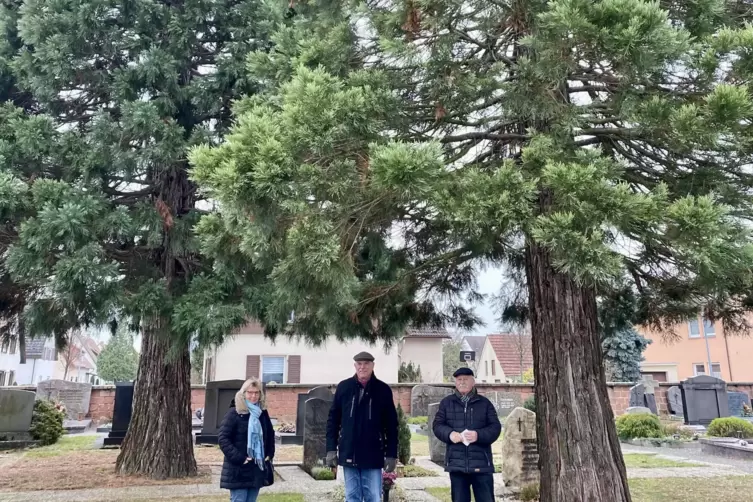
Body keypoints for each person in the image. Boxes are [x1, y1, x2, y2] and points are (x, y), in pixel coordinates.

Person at [326, 351, 399, 502]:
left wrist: (391, 454)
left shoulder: (382, 390)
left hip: (372, 454)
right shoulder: (344, 388)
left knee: (373, 496)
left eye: (366, 364)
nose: (362, 367)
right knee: (352, 497)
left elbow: (392, 425)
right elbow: (333, 420)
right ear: (355, 366)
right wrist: (331, 449)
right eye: (359, 364)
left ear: (373, 366)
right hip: (349, 452)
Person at [433, 367, 501, 502]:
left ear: (473, 382)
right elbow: (437, 425)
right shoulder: (447, 403)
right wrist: (450, 434)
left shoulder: (484, 403)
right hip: (457, 464)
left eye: (465, 379)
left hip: (481, 465)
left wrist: (478, 435)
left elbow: (495, 428)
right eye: (459, 380)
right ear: (455, 382)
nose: (462, 382)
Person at [218, 378, 275, 502]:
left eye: (256, 392)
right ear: (243, 394)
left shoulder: (262, 413)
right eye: (250, 392)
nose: (253, 396)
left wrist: (269, 454)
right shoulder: (234, 412)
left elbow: (270, 434)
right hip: (239, 469)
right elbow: (223, 438)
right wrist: (240, 458)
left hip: (256, 468)